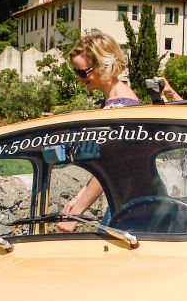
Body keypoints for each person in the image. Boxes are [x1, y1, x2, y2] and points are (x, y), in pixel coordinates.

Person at [59, 33, 139, 228]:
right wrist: (77, 200)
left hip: (130, 204)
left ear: (103, 64)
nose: (80, 79)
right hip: (126, 200)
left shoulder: (120, 108)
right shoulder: (115, 102)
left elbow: (112, 166)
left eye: (83, 72)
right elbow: (104, 167)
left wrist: (76, 214)